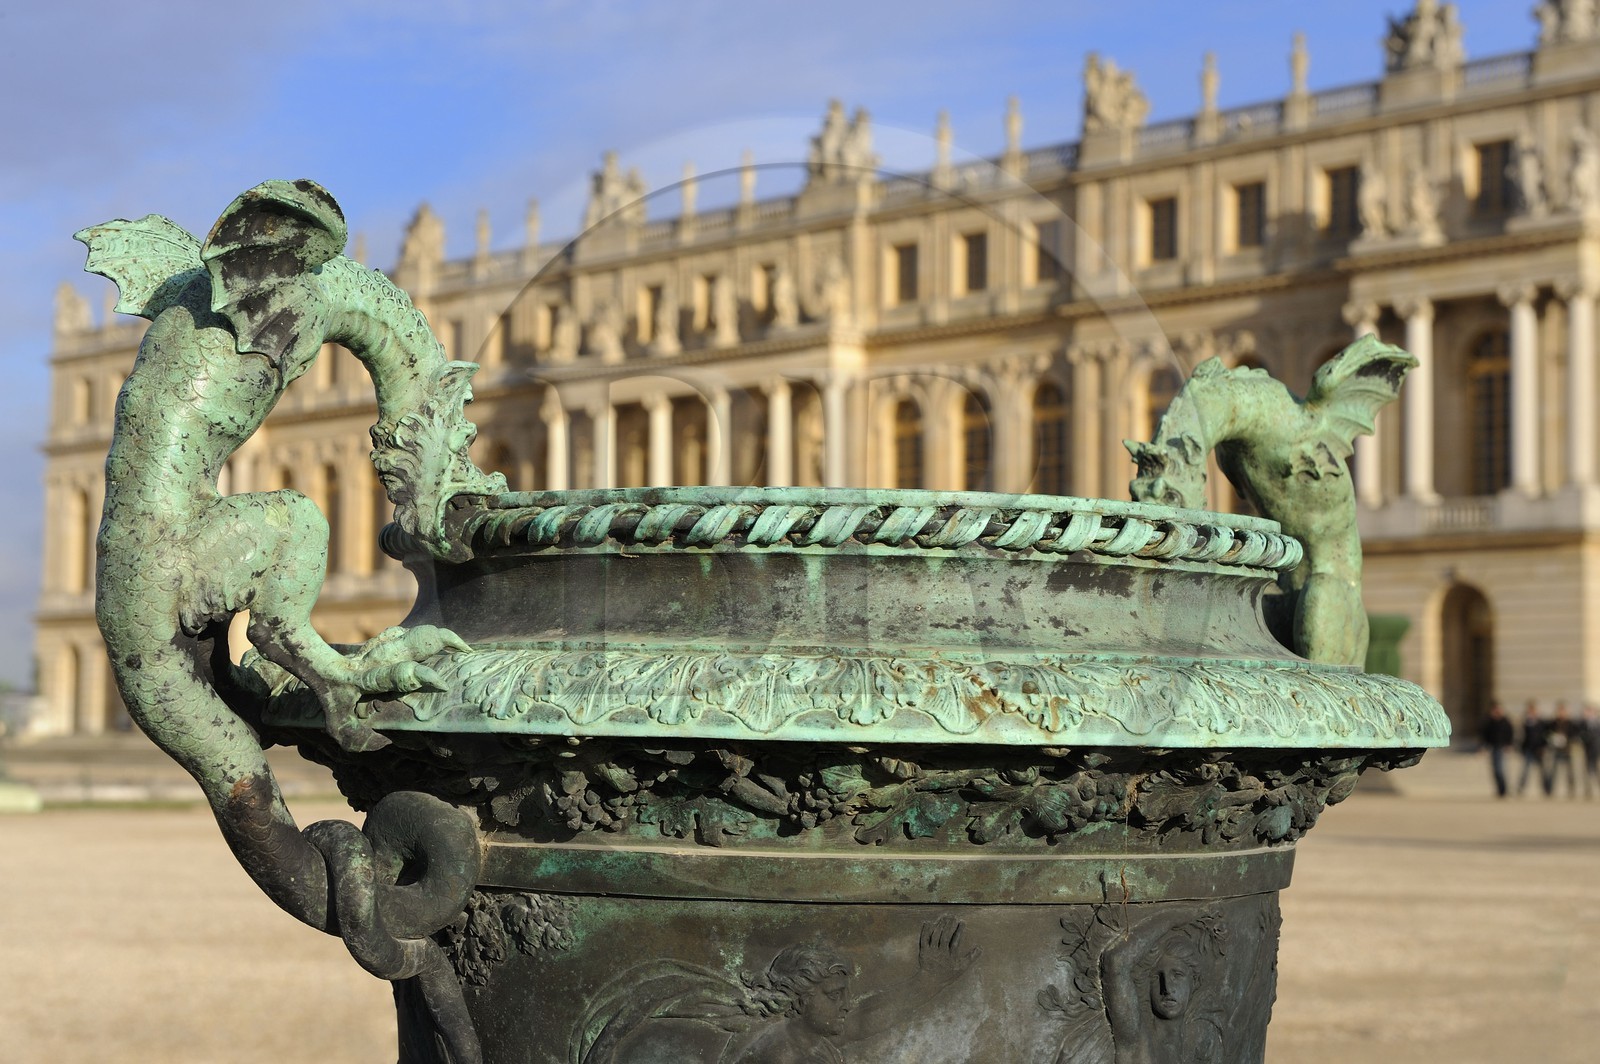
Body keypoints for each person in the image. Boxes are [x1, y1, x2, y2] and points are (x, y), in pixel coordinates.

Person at [1479, 701, 1514, 798]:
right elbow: (1484, 735)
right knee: (1495, 770)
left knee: (1500, 770)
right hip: (1493, 748)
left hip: (1502, 747)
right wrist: (1483, 747)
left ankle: (1504, 789)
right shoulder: (1489, 722)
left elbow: (1510, 734)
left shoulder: (1505, 721)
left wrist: (1509, 745)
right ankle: (1500, 790)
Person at [1517, 700, 1549, 797]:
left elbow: (1545, 736)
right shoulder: (1525, 722)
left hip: (1539, 749)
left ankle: (1547, 788)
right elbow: (1521, 736)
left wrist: (1544, 747)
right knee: (1525, 770)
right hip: (1528, 748)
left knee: (1543, 771)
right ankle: (1521, 787)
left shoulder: (1541, 722)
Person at [1550, 701, 1579, 798]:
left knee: (1569, 771)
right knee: (1554, 771)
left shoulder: (1570, 723)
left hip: (1567, 749)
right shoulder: (1554, 723)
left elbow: (1575, 735)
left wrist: (1568, 739)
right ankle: (1551, 790)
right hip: (1556, 749)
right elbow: (1548, 733)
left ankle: (1572, 789)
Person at [1580, 705, 1600, 799]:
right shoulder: (1583, 724)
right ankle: (1588, 790)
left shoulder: (1597, 723)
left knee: (1597, 770)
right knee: (1587, 770)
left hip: (1597, 750)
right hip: (1587, 750)